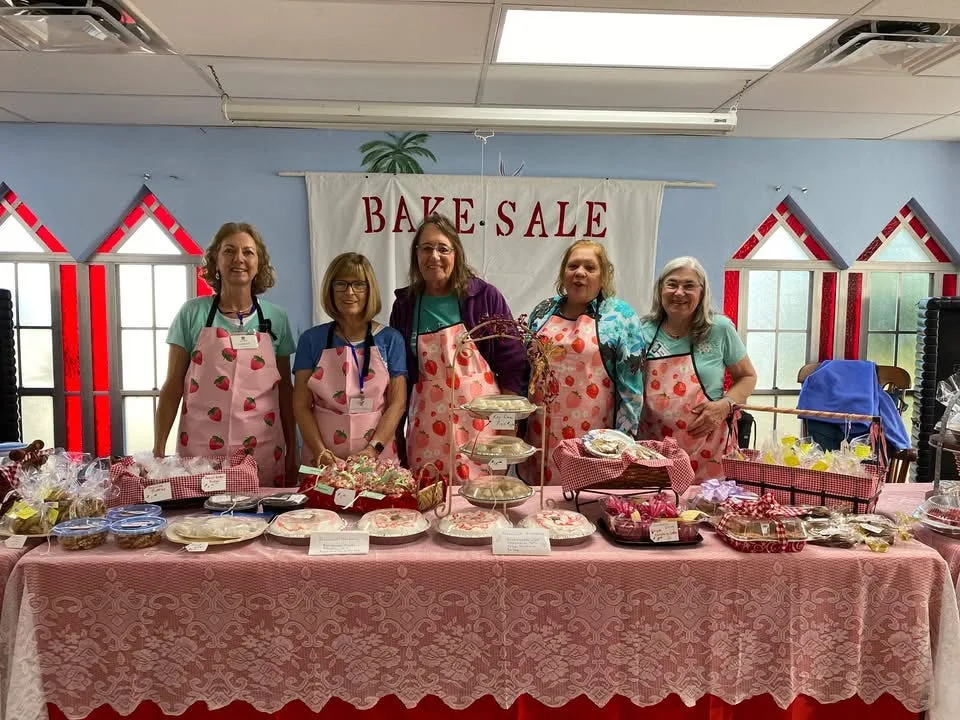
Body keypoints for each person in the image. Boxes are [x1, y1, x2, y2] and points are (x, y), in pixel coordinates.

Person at [154, 222, 297, 486]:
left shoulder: (276, 318)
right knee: (201, 524)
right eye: (229, 251)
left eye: (248, 252)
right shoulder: (192, 313)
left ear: (259, 263)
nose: (239, 259)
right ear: (216, 261)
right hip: (201, 451)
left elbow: (285, 389)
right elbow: (173, 384)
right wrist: (158, 448)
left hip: (262, 450)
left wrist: (293, 450)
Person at [389, 213, 526, 482]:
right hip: (426, 428)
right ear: (416, 255)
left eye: (443, 248)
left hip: (481, 427)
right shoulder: (405, 305)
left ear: (456, 254)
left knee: (482, 504)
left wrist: (506, 432)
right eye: (426, 248)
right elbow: (400, 377)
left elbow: (514, 364)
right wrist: (396, 436)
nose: (434, 256)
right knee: (430, 500)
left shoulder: (484, 296)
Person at [518, 239, 645, 485]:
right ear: (563, 273)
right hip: (539, 436)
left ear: (603, 275)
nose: (580, 273)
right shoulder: (543, 311)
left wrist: (621, 446)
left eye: (590, 267)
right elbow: (526, 369)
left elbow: (632, 391)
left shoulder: (620, 316)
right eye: (573, 266)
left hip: (594, 442)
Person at [637, 256, 757, 482]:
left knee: (704, 513)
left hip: (708, 450)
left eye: (689, 285)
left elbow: (747, 377)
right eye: (672, 284)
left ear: (702, 292)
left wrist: (725, 405)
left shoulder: (719, 329)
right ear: (660, 290)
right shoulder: (643, 330)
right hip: (654, 451)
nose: (679, 292)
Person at [293, 253, 407, 466]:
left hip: (377, 458)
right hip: (322, 458)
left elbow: (397, 403)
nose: (350, 292)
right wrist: (321, 452)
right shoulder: (311, 340)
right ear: (330, 289)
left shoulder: (391, 339)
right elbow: (300, 405)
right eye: (341, 284)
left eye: (358, 285)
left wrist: (373, 449)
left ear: (370, 289)